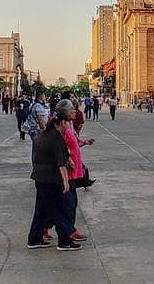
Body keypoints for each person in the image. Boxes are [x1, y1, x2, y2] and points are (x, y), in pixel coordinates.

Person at [27, 102, 81, 251]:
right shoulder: (56, 138)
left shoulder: (43, 135)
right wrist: (65, 181)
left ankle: (34, 239)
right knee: (60, 211)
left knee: (41, 210)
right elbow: (60, 163)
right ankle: (64, 241)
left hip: (40, 177)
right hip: (51, 179)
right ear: (62, 123)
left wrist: (68, 158)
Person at [58, 100, 95, 242]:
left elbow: (74, 144)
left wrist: (84, 142)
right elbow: (59, 147)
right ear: (66, 113)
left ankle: (45, 228)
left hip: (75, 170)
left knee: (70, 203)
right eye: (72, 109)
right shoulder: (62, 127)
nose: (76, 111)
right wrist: (67, 159)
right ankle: (68, 232)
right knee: (69, 204)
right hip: (68, 171)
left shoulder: (69, 126)